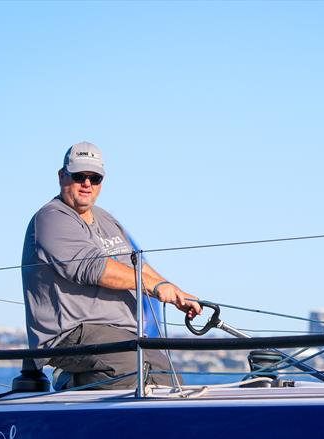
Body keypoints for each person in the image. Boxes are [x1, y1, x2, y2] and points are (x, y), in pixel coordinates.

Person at [21, 141, 201, 390]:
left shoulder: (106, 218)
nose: (87, 184)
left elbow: (136, 265)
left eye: (94, 178)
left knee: (170, 380)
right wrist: (156, 288)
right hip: (74, 334)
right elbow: (94, 268)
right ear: (62, 176)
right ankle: (69, 381)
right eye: (79, 176)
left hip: (124, 334)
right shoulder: (51, 217)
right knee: (130, 372)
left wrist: (174, 291)